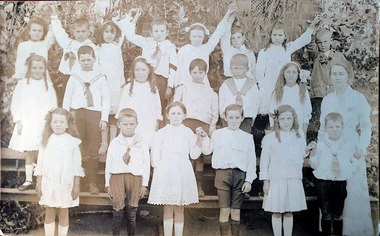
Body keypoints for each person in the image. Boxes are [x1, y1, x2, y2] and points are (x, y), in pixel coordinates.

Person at [319, 60, 373, 236]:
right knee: (331, 187)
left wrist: (361, 147)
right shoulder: (327, 100)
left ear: (349, 76)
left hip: (351, 147)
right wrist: (320, 149)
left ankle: (354, 230)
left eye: (341, 74)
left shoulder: (358, 98)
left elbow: (366, 126)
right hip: (330, 148)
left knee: (352, 189)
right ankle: (331, 230)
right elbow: (322, 127)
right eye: (334, 74)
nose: (337, 78)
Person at [253, 17, 320, 152]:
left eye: (280, 35)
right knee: (269, 116)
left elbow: (302, 41)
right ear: (270, 36)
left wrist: (312, 27)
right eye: (274, 35)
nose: (277, 38)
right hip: (269, 88)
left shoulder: (286, 49)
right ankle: (269, 146)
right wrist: (263, 90)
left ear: (285, 37)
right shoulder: (264, 52)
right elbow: (259, 73)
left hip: (284, 86)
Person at [148, 102, 206, 236]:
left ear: (184, 116)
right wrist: (158, 171)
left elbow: (194, 154)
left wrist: (198, 139)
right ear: (167, 116)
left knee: (180, 207)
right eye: (173, 113)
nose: (175, 116)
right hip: (165, 170)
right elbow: (155, 155)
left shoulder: (187, 132)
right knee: (168, 206)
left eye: (179, 113)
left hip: (182, 170)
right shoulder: (161, 132)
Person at [202, 104, 257, 236]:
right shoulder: (217, 134)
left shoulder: (247, 137)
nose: (233, 120)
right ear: (225, 117)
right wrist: (204, 137)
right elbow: (206, 150)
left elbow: (251, 161)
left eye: (237, 117)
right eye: (230, 117)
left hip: (240, 176)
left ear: (242, 118)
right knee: (224, 210)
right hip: (222, 175)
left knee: (236, 211)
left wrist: (249, 180)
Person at [63, 45, 110, 195]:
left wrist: (104, 118)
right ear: (78, 60)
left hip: (94, 114)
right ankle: (73, 181)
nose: (86, 62)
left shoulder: (101, 77)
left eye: (88, 59)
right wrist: (66, 117)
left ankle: (91, 182)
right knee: (75, 148)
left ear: (94, 59)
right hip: (77, 115)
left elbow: (105, 99)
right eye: (83, 60)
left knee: (92, 151)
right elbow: (67, 97)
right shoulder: (74, 76)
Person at [260, 105, 313, 236]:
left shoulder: (298, 135)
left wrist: (306, 150)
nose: (286, 122)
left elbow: (299, 155)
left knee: (289, 210)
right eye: (282, 119)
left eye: (289, 118)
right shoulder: (270, 138)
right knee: (277, 211)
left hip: (292, 178)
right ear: (277, 120)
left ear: (294, 119)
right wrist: (265, 181)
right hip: (276, 179)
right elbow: (264, 161)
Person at [9, 55, 57, 191]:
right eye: (34, 68)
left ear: (45, 69)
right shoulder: (23, 84)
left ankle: (42, 180)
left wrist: (50, 122)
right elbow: (16, 103)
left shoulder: (48, 85)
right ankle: (28, 179)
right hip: (28, 122)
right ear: (29, 69)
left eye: (40, 68)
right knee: (30, 152)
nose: (37, 70)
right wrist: (18, 120)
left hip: (42, 123)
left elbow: (53, 105)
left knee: (43, 151)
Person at [309, 112, 360, 236]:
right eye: (331, 127)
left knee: (338, 212)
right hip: (324, 183)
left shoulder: (347, 145)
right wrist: (313, 154)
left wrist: (350, 171)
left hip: (340, 183)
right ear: (326, 129)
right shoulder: (321, 145)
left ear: (342, 128)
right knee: (325, 212)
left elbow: (355, 161)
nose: (334, 130)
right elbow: (314, 165)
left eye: (337, 127)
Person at [34, 108, 84, 236]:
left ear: (67, 124)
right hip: (49, 182)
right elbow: (40, 164)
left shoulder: (72, 143)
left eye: (61, 122)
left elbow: (77, 166)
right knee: (49, 210)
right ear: (50, 124)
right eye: (55, 121)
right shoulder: (46, 141)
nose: (58, 124)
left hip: (65, 183)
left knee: (63, 211)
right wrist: (38, 184)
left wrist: (76, 185)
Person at [173, 59, 218, 197]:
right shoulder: (183, 87)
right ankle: (184, 184)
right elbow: (176, 105)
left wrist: (211, 128)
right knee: (185, 153)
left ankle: (198, 185)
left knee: (198, 156)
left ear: (205, 73)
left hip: (202, 124)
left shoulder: (210, 92)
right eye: (194, 72)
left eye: (201, 72)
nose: (197, 75)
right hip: (186, 124)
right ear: (190, 72)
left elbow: (214, 112)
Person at [126, 10, 177, 125]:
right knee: (145, 105)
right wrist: (134, 20)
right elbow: (130, 36)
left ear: (167, 32)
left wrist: (169, 86)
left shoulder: (170, 47)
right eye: (156, 31)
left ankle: (159, 132)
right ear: (151, 32)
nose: (159, 33)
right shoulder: (147, 42)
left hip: (161, 81)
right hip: (146, 79)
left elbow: (173, 68)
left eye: (162, 31)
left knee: (160, 107)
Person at [105, 108, 150, 236]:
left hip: (135, 178)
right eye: (125, 124)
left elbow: (146, 164)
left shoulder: (142, 142)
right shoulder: (115, 142)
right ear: (119, 125)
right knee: (118, 211)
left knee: (132, 212)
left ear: (136, 124)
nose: (128, 127)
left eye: (132, 124)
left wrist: (144, 184)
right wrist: (108, 184)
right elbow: (109, 164)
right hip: (117, 178)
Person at [97, 11, 135, 154]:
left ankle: (113, 140)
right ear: (101, 34)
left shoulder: (117, 47)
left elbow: (120, 67)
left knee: (114, 113)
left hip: (115, 84)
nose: (109, 35)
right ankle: (104, 141)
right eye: (106, 32)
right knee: (104, 112)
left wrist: (122, 82)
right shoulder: (98, 48)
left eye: (112, 32)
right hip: (103, 84)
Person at [176, 3, 238, 87]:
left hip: (202, 84)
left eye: (200, 36)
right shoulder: (183, 49)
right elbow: (178, 68)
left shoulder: (205, 48)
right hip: (185, 84)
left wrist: (228, 14)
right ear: (189, 37)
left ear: (204, 37)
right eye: (194, 36)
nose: (197, 39)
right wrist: (177, 85)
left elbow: (218, 33)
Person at [50, 4, 98, 105]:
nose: (80, 34)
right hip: (67, 77)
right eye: (78, 31)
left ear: (89, 32)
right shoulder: (69, 43)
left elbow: (96, 63)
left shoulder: (91, 46)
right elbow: (59, 34)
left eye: (83, 31)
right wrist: (54, 17)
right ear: (73, 32)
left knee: (79, 100)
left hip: (82, 77)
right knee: (66, 99)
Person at [308, 28, 347, 138]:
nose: (323, 45)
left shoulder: (338, 56)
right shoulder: (316, 55)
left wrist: (345, 90)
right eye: (319, 42)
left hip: (335, 94)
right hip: (319, 94)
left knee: (335, 119)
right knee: (320, 120)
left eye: (325, 41)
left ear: (331, 41)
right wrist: (313, 29)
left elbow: (348, 73)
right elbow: (311, 45)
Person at [117, 57, 162, 147]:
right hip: (132, 124)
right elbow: (122, 108)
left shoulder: (153, 88)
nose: (140, 73)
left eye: (143, 70)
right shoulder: (128, 88)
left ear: (149, 71)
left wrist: (156, 122)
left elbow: (157, 108)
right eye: (137, 70)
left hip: (148, 123)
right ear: (133, 72)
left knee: (146, 146)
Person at [218, 54, 259, 134]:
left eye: (241, 68)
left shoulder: (252, 84)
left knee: (244, 136)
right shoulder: (226, 84)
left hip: (246, 117)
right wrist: (222, 113)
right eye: (235, 68)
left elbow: (255, 100)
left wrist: (253, 115)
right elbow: (222, 99)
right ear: (230, 69)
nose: (238, 71)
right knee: (228, 136)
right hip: (229, 117)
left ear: (247, 69)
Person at [269, 61, 312, 137]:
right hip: (281, 129)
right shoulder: (278, 92)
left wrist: (304, 131)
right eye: (288, 72)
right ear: (283, 74)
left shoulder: (302, 92)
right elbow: (272, 112)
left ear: (298, 75)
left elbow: (307, 113)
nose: (291, 75)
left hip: (298, 129)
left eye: (294, 72)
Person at [12, 16, 55, 82]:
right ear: (29, 31)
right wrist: (20, 81)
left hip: (42, 79)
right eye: (34, 30)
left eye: (40, 31)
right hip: (27, 79)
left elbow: (53, 31)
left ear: (43, 33)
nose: (37, 33)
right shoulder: (23, 46)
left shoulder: (44, 45)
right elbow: (20, 65)